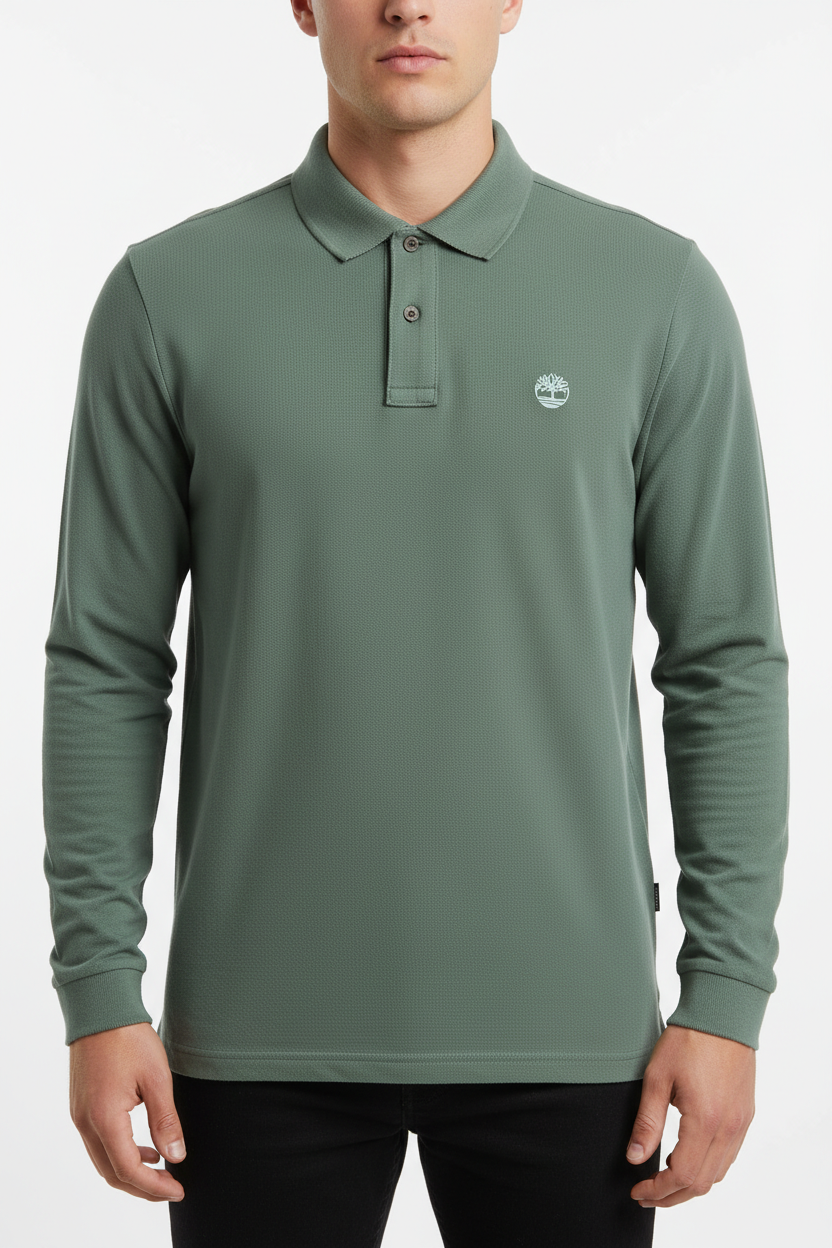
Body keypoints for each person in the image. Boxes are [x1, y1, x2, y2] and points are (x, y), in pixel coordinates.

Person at [41, 1, 789, 1245]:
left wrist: (725, 996)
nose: (407, 4)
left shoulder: (655, 292)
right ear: (301, 4)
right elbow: (105, 663)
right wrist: (97, 989)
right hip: (250, 1038)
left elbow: (723, 663)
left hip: (573, 1034)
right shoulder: (165, 296)